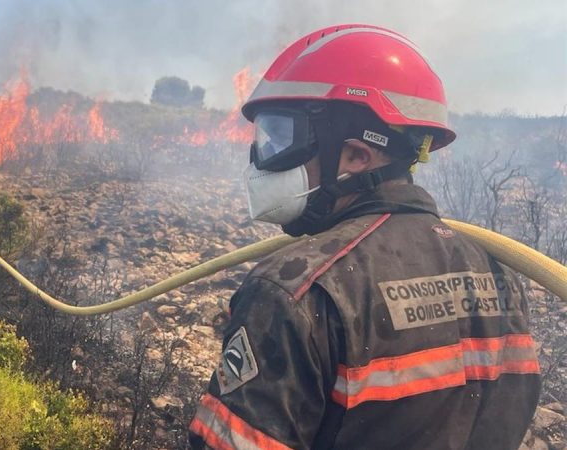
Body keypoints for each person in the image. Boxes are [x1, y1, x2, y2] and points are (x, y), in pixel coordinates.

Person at [189, 24, 541, 450]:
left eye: (280, 138)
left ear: (356, 155)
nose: (262, 162)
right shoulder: (499, 277)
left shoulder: (291, 293)